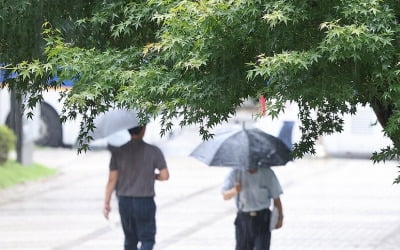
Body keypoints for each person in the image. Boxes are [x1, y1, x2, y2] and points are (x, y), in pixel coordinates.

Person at [103, 125, 169, 250]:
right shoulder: (153, 151)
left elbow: (112, 179)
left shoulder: (118, 152)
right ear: (143, 129)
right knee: (147, 239)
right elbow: (165, 176)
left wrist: (106, 203)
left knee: (130, 239)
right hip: (145, 201)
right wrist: (151, 176)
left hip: (125, 201)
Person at [222, 167, 284, 250]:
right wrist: (235, 190)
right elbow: (225, 196)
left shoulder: (267, 173)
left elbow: (276, 198)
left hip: (263, 218)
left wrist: (280, 217)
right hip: (244, 219)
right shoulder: (235, 172)